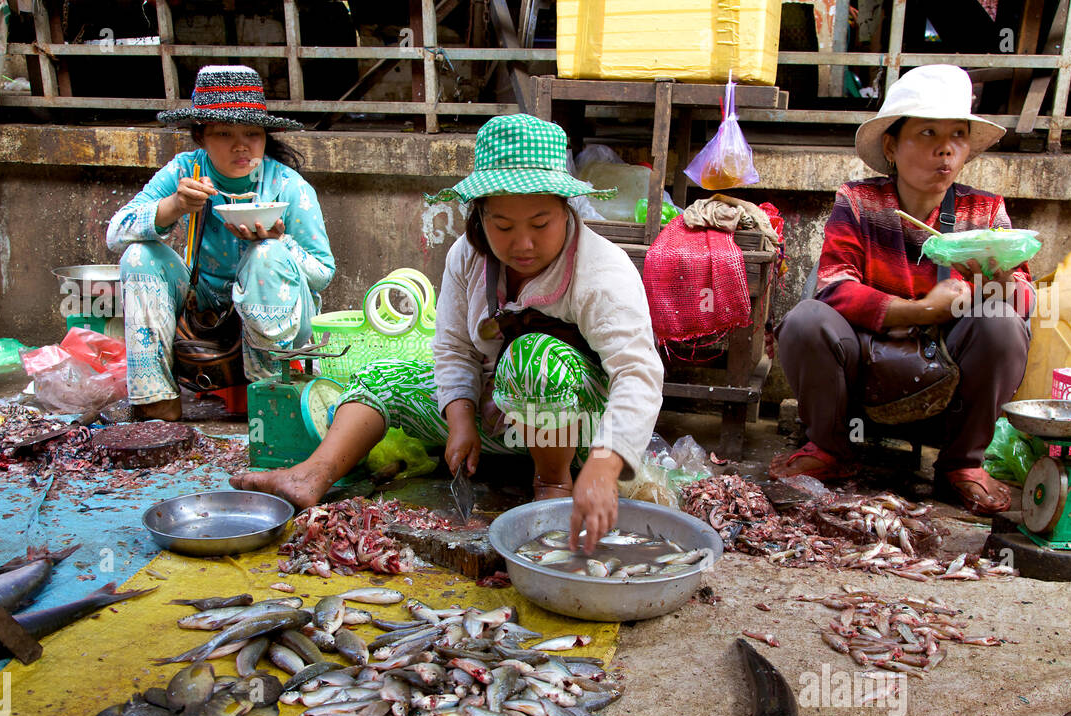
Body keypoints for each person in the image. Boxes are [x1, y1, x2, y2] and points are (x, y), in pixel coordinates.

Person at [234, 113, 665, 551]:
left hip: (578, 434)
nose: (523, 244)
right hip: (504, 423)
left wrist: (606, 465)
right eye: (503, 226)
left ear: (567, 209)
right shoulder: (467, 256)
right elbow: (454, 346)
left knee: (533, 356)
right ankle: (312, 475)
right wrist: (459, 420)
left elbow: (638, 373)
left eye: (540, 224)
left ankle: (551, 485)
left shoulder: (602, 269)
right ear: (479, 215)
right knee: (381, 376)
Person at [770, 64, 1034, 515]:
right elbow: (834, 288)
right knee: (805, 320)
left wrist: (1001, 282)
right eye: (927, 133)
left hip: (948, 360)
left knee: (1003, 325)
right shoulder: (858, 201)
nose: (945, 150)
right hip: (866, 354)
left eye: (957, 136)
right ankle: (832, 449)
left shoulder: (984, 211)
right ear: (891, 146)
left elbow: (1027, 298)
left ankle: (961, 464)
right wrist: (923, 310)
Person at [106, 65, 335, 421]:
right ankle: (156, 402)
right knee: (139, 254)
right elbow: (116, 233)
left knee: (267, 254)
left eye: (252, 133)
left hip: (284, 320)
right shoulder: (186, 171)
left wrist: (280, 243)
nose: (241, 145)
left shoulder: (289, 186)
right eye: (224, 132)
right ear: (200, 136)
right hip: (206, 312)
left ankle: (271, 398)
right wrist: (174, 206)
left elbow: (322, 275)